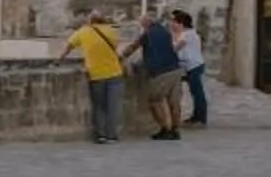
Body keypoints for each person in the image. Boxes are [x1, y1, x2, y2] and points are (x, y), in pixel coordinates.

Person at [63, 11, 126, 144]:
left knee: (99, 106)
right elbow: (117, 48)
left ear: (89, 20)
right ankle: (112, 135)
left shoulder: (83, 32)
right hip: (114, 72)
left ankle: (101, 135)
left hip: (96, 73)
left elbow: (69, 45)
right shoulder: (110, 31)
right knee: (112, 106)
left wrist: (60, 59)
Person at [129, 10, 184, 141]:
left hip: (161, 72)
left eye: (142, 23)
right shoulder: (165, 32)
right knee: (174, 102)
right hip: (175, 68)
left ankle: (165, 129)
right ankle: (175, 129)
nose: (141, 26)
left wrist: (121, 57)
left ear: (146, 23)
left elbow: (133, 47)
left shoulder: (148, 34)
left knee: (155, 100)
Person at [169, 10, 208, 128]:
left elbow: (176, 48)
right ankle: (196, 116)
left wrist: (174, 35)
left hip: (194, 66)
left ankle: (200, 118)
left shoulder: (188, 35)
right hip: (189, 65)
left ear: (181, 23)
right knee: (194, 91)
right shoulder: (187, 33)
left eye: (174, 22)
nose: (171, 24)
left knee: (197, 92)